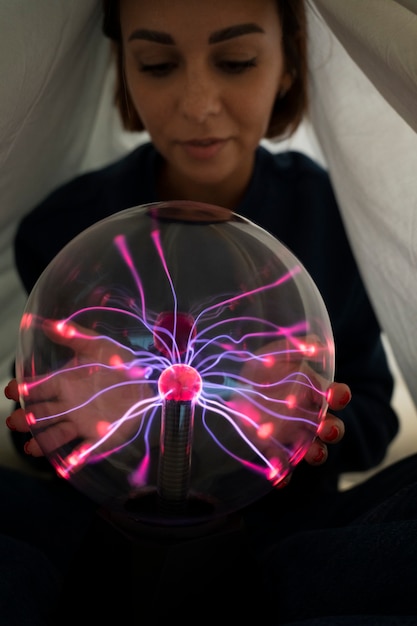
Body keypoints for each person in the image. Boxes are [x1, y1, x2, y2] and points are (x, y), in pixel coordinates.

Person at [5, 0, 415, 623]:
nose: (197, 104)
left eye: (236, 60)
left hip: (286, 540)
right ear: (124, 69)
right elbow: (51, 420)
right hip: (99, 540)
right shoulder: (60, 232)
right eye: (158, 63)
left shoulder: (335, 219)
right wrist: (46, 422)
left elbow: (374, 421)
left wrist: (297, 425)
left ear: (287, 65)